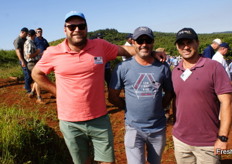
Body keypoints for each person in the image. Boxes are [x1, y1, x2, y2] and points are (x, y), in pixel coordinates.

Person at [31, 11, 165, 164]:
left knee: (108, 161)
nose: (77, 30)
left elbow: (125, 50)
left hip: (99, 118)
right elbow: (37, 73)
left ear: (86, 28)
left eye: (81, 26)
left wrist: (149, 51)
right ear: (65, 29)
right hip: (70, 121)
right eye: (72, 26)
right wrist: (56, 91)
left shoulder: (100, 46)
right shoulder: (53, 52)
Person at [109, 26, 174, 164]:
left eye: (148, 40)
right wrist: (128, 107)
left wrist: (159, 107)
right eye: (140, 40)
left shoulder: (163, 67)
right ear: (133, 43)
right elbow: (113, 96)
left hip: (158, 128)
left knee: (155, 162)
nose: (144, 44)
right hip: (133, 128)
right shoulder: (123, 68)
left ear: (153, 42)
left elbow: (169, 92)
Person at [172, 27, 232, 164]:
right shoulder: (176, 71)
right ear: (177, 47)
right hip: (180, 141)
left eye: (189, 42)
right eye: (181, 43)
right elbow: (176, 100)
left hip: (208, 142)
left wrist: (223, 138)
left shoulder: (214, 67)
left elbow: (227, 102)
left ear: (197, 43)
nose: (185, 47)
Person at [24, 29, 44, 104]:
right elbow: (29, 55)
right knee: (38, 79)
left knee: (36, 79)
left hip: (34, 62)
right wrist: (37, 52)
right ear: (34, 35)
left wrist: (39, 54)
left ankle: (32, 92)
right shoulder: (29, 42)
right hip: (32, 63)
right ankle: (39, 98)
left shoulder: (30, 42)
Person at [13, 27, 32, 93]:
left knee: (29, 73)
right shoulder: (17, 40)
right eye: (26, 34)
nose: (27, 35)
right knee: (27, 74)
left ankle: (26, 86)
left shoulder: (24, 39)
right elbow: (17, 51)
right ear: (23, 32)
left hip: (27, 59)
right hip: (22, 60)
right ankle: (28, 90)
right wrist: (22, 61)